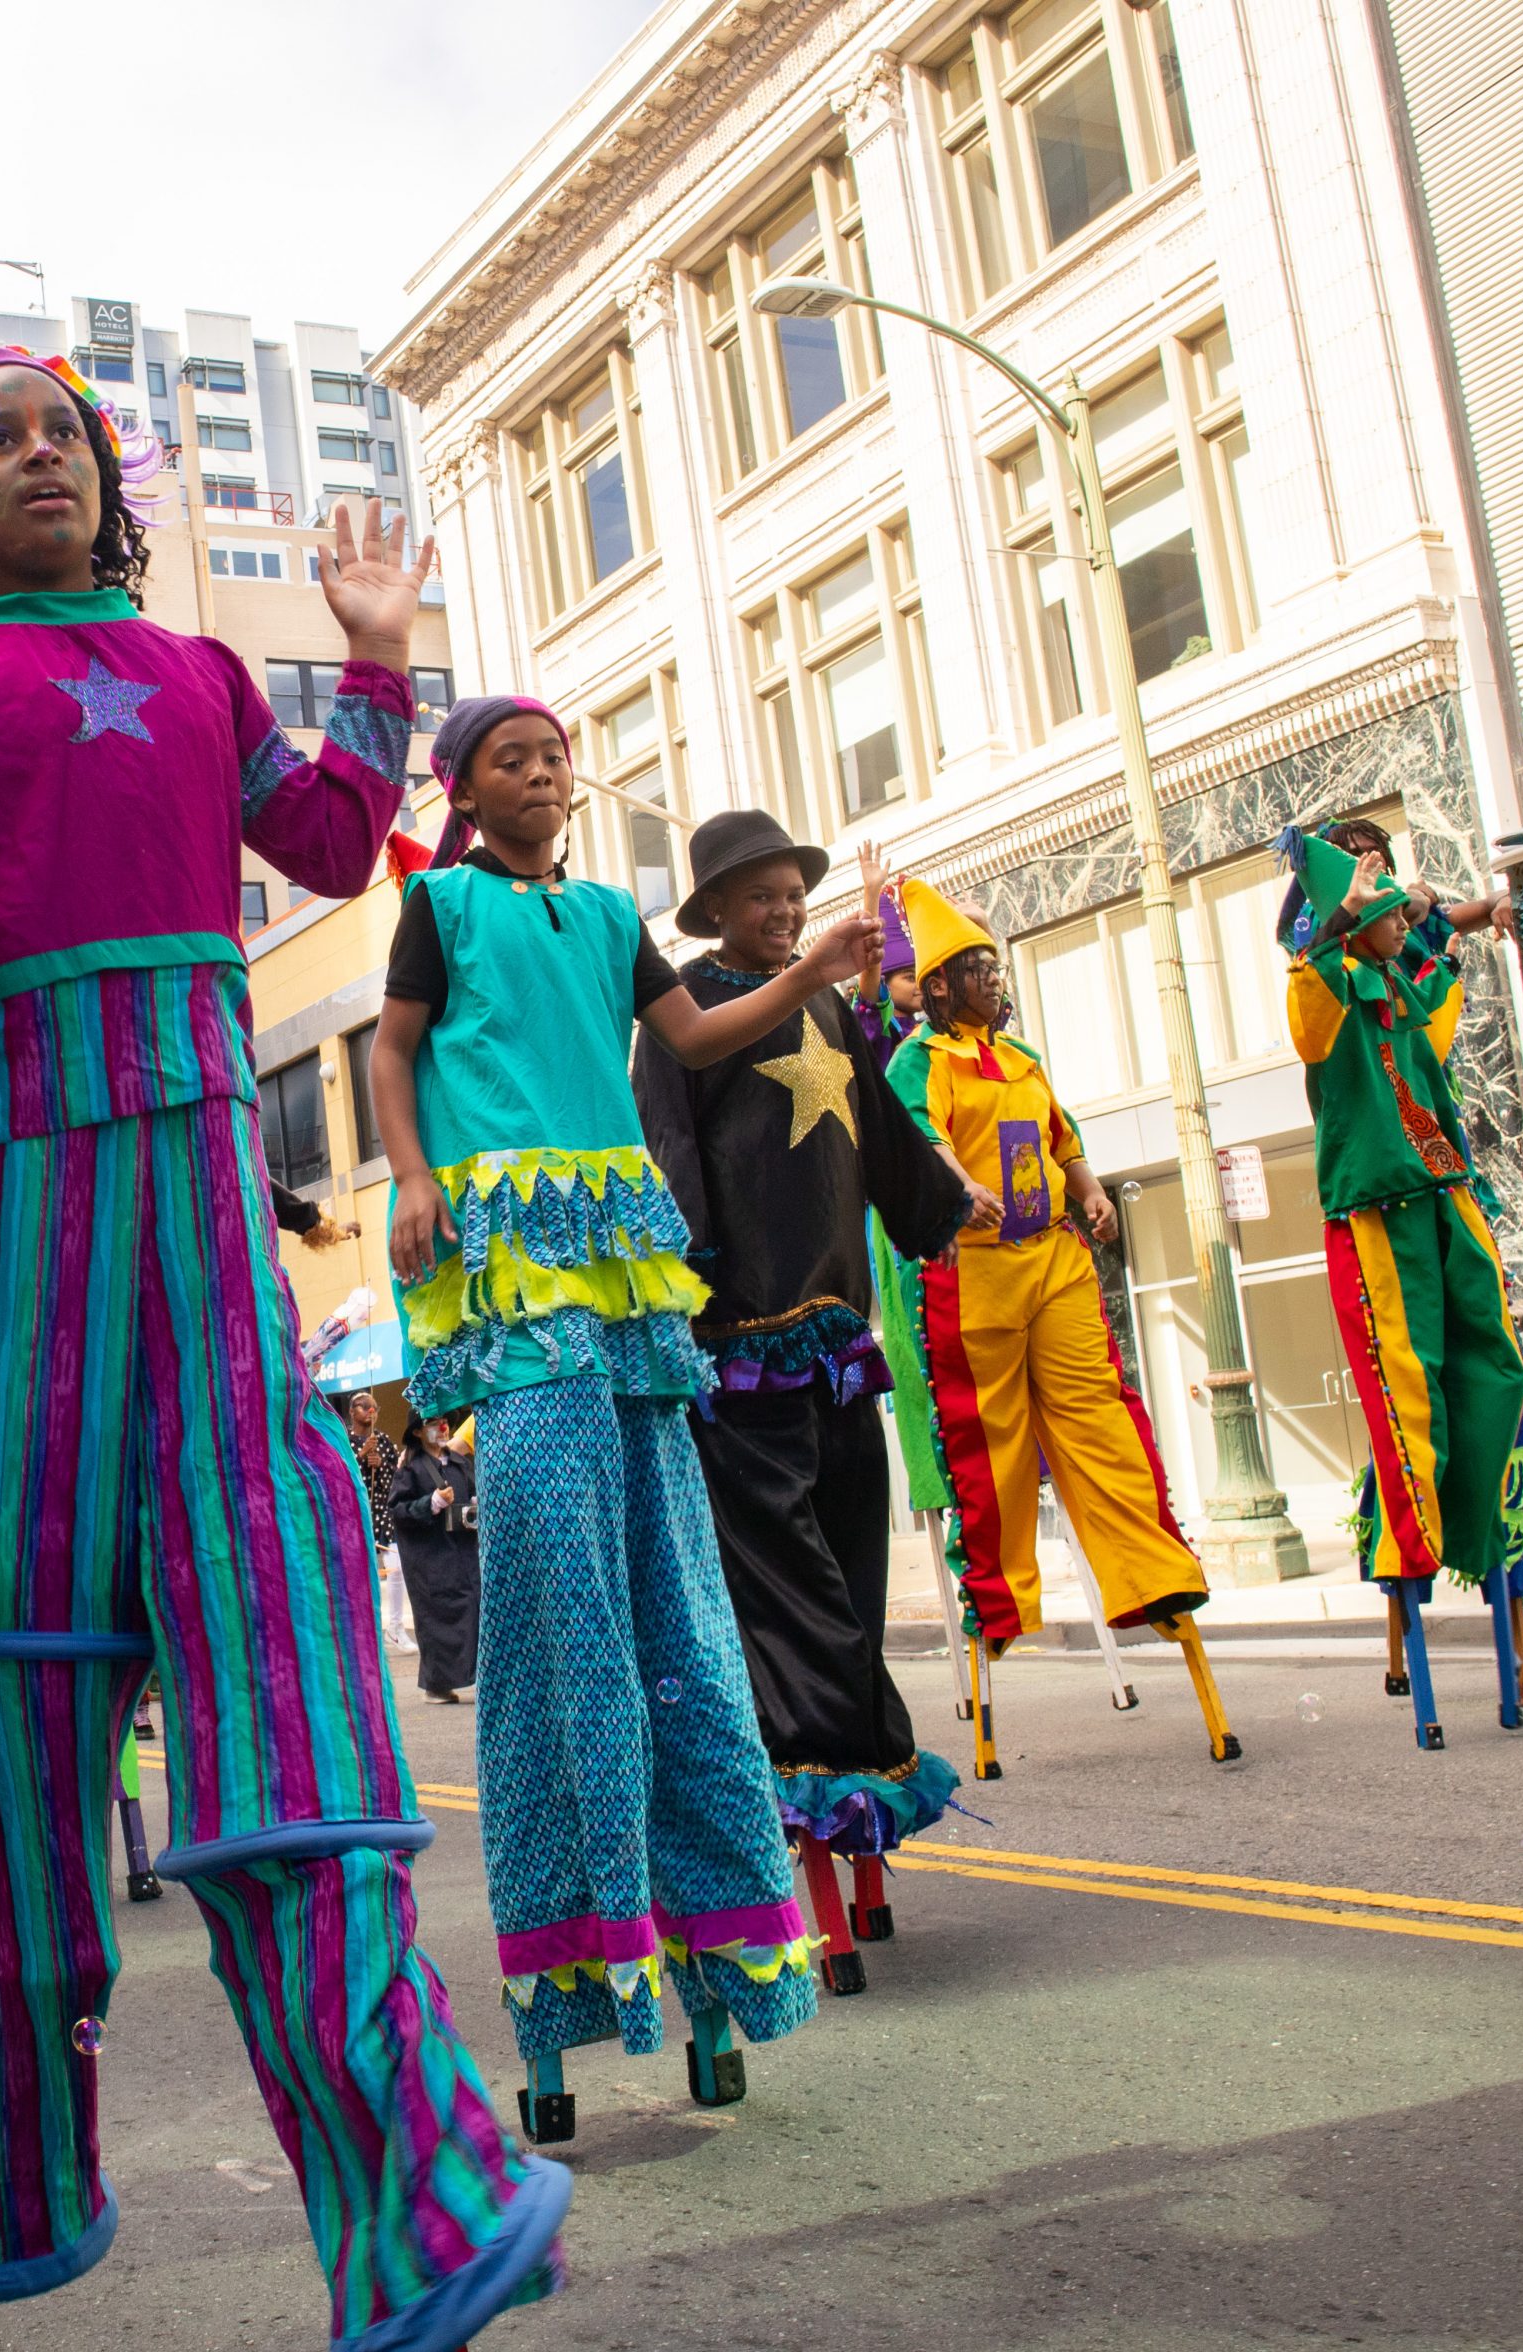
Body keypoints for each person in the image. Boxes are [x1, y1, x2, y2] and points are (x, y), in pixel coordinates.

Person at [0, 349, 566, 2345]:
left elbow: (323, 845)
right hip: (17, 1287)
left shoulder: (204, 674)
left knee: (296, 1788)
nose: (41, 456)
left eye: (62, 432)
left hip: (209, 1299)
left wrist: (374, 670)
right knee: (23, 1859)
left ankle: (417, 2209)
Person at [372, 696, 855, 2134]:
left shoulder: (604, 915)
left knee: (680, 1623)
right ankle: (576, 1977)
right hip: (514, 1282)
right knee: (559, 1620)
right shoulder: (438, 906)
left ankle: (711, 1958)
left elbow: (700, 1039)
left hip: (626, 1288)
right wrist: (409, 1179)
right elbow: (391, 1055)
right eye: (512, 760)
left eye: (556, 756)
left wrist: (818, 966)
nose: (545, 776)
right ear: (463, 788)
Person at [633, 818, 971, 1988]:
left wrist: (948, 1199)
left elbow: (883, 1132)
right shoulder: (681, 1016)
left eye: (793, 894)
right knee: (789, 1596)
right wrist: (681, 1297)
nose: (783, 912)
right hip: (739, 1355)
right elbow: (668, 1155)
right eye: (762, 897)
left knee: (852, 1573)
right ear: (716, 906)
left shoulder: (829, 1004)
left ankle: (859, 1818)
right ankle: (821, 1785)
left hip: (838, 1346)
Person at [883, 879, 1236, 1765]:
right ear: (935, 987)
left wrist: (1091, 1193)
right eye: (976, 970)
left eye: (995, 969)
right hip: (974, 1276)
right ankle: (1000, 1606)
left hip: (1055, 1261)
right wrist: (960, 1189)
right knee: (991, 1444)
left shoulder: (1024, 1055)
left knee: (1100, 1419)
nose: (994, 983)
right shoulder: (915, 1061)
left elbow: (1062, 1136)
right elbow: (919, 1138)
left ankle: (1155, 1580)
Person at [1281, 826, 1523, 1741]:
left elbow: (1437, 1013)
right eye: (1382, 912)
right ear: (1354, 926)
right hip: (1379, 1208)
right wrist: (1341, 918)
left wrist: (1453, 930)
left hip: (1444, 1192)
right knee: (1407, 1388)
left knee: (1496, 1366)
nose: (1400, 919)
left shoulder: (1396, 980)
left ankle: (1472, 1525)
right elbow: (1306, 1009)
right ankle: (1415, 1543)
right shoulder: (1330, 987)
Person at [385, 1414, 479, 1701]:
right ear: (416, 1432)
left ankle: (474, 1676)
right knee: (436, 1620)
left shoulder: (461, 1464)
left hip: (463, 1553)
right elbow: (398, 1511)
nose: (442, 1428)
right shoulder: (410, 1470)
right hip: (429, 1558)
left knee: (473, 1612)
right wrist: (431, 1503)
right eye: (432, 1423)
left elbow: (474, 1493)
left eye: (444, 1421)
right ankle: (436, 1684)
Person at [341, 1391, 411, 1654]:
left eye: (375, 1407)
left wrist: (380, 1465)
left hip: (383, 1512)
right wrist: (359, 1458)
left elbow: (396, 1479)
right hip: (355, 1514)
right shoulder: (342, 1440)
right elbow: (339, 1475)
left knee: (395, 1568)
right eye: (365, 1407)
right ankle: (363, 1628)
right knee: (359, 1573)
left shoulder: (383, 1441)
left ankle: (395, 1627)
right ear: (352, 1411)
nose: (371, 1411)